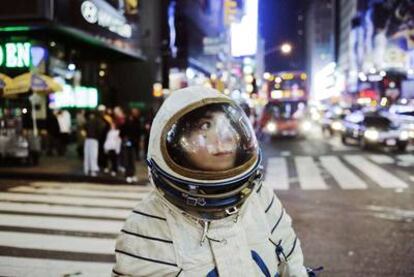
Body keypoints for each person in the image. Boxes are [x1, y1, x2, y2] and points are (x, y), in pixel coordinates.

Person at [112, 87, 309, 276]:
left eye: (227, 125)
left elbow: (292, 263)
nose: (224, 137)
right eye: (205, 125)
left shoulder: (262, 199)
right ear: (175, 143)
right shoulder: (146, 225)